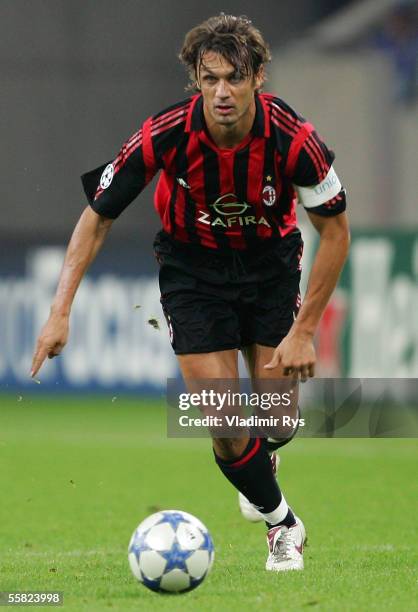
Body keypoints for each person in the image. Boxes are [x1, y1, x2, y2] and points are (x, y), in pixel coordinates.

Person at [31, 14, 350, 572]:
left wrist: (304, 332)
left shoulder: (294, 139)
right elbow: (97, 216)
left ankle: (262, 463)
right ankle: (284, 526)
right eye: (210, 79)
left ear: (258, 78)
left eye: (234, 78)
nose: (222, 92)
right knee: (226, 425)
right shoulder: (164, 133)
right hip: (191, 271)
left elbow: (335, 231)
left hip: (271, 269)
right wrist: (60, 312)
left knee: (277, 422)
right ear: (195, 80)